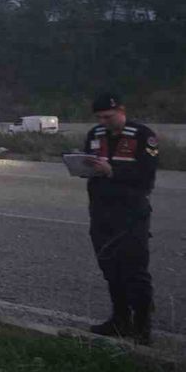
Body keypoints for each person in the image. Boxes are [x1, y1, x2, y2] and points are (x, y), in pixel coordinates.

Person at [84, 93, 158, 345]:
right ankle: (120, 320)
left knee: (134, 270)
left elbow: (146, 175)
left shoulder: (142, 135)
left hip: (130, 213)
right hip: (100, 211)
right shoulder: (95, 134)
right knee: (110, 268)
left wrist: (112, 171)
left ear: (121, 110)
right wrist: (82, 166)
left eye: (108, 116)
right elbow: (90, 164)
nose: (104, 122)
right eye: (99, 117)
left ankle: (142, 326)